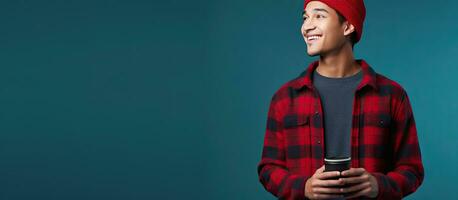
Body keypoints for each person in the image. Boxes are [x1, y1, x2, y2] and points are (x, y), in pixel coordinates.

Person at [256, 0, 424, 199]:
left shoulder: (392, 96)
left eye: (319, 16)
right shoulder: (284, 99)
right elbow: (268, 169)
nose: (306, 26)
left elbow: (412, 170)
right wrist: (305, 188)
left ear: (348, 26)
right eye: (305, 18)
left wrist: (378, 185)